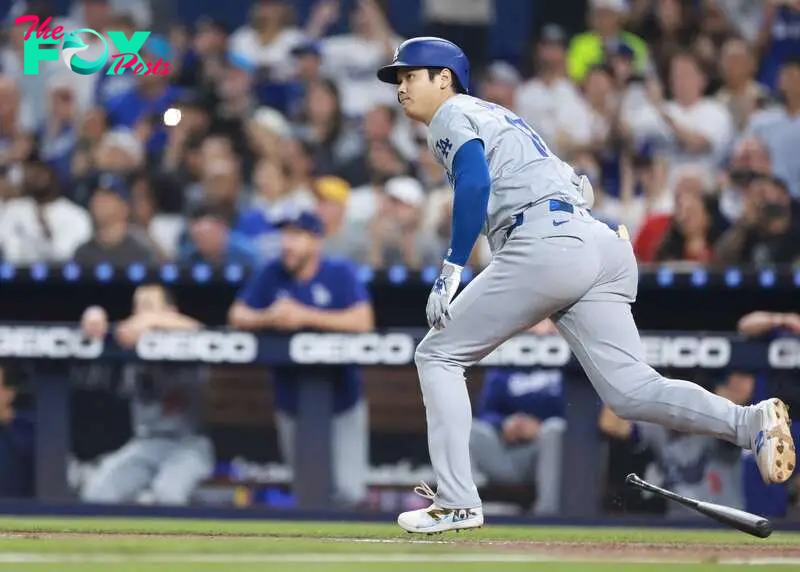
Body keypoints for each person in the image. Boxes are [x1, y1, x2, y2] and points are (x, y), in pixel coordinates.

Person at [376, 36, 796, 534]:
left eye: (410, 75)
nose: (401, 87)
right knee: (632, 391)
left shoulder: (451, 113)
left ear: (443, 77)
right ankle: (749, 423)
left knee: (437, 355)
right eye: (398, 79)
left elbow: (474, 184)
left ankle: (457, 500)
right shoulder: (501, 115)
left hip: (546, 242)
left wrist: (451, 269)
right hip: (599, 242)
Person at [228, 209, 374, 508]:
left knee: (349, 493)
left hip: (341, 402)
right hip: (291, 401)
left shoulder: (338, 271)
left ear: (316, 241)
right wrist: (270, 317)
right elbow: (237, 315)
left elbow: (363, 320)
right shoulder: (272, 272)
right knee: (306, 494)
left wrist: (304, 315)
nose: (287, 243)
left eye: (296, 236)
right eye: (284, 235)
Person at [79, 284, 214, 505]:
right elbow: (97, 327)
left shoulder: (188, 339)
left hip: (189, 445)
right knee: (96, 494)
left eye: (149, 307)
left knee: (167, 496)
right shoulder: (129, 342)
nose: (140, 315)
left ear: (170, 312)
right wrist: (94, 317)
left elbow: (200, 330)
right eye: (137, 309)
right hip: (145, 443)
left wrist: (151, 321)